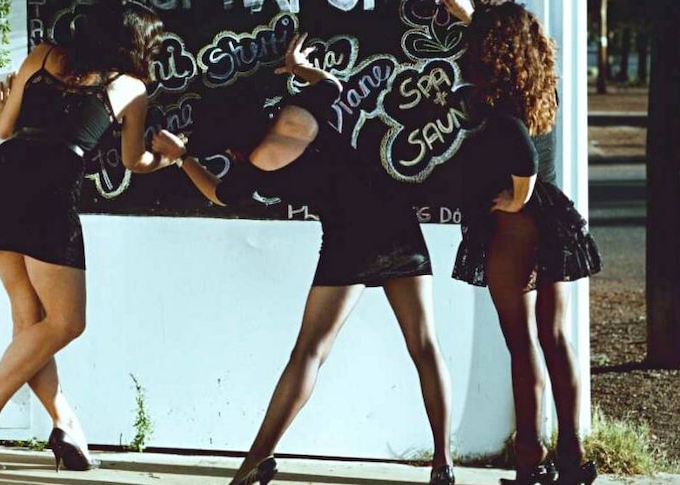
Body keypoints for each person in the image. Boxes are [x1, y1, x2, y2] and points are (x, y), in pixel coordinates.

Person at [152, 33, 455, 485]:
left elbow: (218, 194)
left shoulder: (251, 165)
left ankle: (255, 461)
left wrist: (180, 159)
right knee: (425, 345)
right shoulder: (300, 112)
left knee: (309, 351)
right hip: (394, 224)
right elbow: (332, 84)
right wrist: (300, 70)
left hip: (346, 241)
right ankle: (443, 463)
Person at [0, 0, 168, 472]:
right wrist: (168, 158)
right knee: (67, 322)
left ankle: (66, 425)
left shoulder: (43, 55)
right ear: (135, 44)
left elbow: (3, 130)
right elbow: (133, 162)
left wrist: (7, 107)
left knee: (31, 320)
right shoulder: (130, 87)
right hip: (49, 184)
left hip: (4, 176)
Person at [441, 1, 602, 484]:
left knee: (521, 343)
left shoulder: (491, 103)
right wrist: (473, 15)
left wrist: (515, 197)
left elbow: (522, 155)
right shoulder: (541, 87)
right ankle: (571, 454)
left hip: (517, 226)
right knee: (555, 338)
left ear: (488, 51)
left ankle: (530, 459)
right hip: (555, 220)